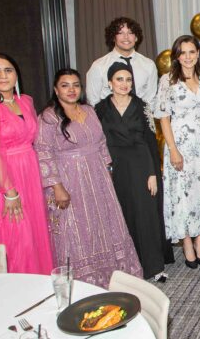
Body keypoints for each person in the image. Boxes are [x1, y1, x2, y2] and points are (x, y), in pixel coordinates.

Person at [35, 69, 144, 286]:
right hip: (69, 180)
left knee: (105, 224)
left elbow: (101, 142)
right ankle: (84, 281)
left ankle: (113, 275)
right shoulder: (49, 117)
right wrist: (56, 186)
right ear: (56, 90)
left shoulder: (89, 110)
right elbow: (43, 152)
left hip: (98, 176)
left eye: (76, 85)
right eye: (65, 85)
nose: (71, 90)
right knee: (75, 229)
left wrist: (108, 170)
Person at [0, 53, 53, 274]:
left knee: (33, 234)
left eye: (8, 70)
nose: (3, 76)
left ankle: (37, 281)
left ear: (16, 74)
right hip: (3, 179)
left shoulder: (25, 101)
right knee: (14, 237)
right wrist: (9, 191)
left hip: (29, 173)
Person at [94, 63, 168, 280]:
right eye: (119, 79)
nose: (124, 84)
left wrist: (153, 173)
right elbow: (97, 142)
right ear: (110, 82)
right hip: (114, 167)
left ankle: (154, 267)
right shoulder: (99, 109)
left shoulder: (142, 106)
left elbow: (151, 142)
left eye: (128, 79)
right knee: (121, 216)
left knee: (146, 215)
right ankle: (128, 266)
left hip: (141, 166)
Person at [155, 35, 200, 267]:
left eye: (192, 52)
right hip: (179, 145)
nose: (188, 57)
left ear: (198, 54)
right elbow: (163, 117)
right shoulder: (168, 80)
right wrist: (173, 150)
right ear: (177, 56)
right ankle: (186, 243)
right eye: (183, 53)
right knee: (182, 194)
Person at [85, 17, 159, 110]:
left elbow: (151, 100)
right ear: (113, 37)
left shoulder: (149, 65)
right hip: (108, 117)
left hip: (141, 117)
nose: (126, 37)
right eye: (121, 33)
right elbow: (93, 101)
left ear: (136, 37)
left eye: (130, 33)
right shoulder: (99, 66)